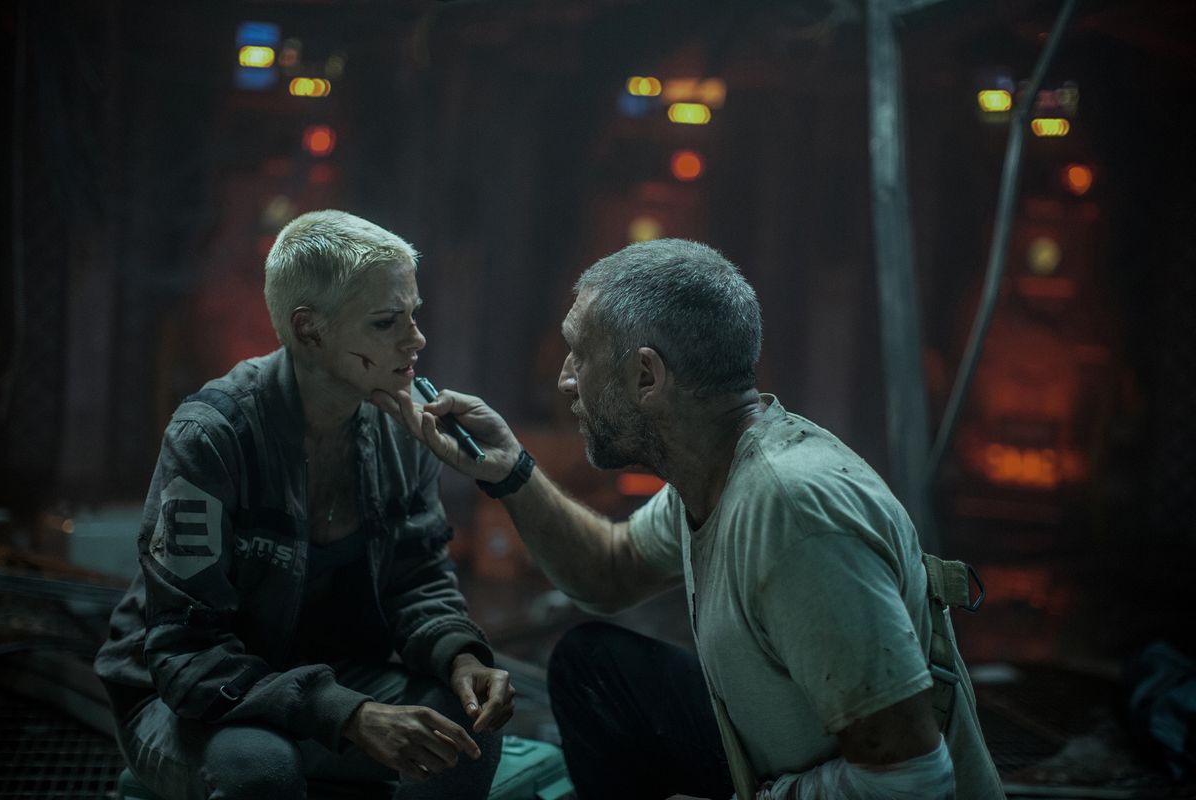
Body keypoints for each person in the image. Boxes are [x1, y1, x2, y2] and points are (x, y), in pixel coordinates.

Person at [373, 238, 1005, 799]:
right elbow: (609, 572)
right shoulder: (712, 467)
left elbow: (910, 781)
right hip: (779, 759)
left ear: (646, 376)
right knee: (595, 667)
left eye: (579, 356)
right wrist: (509, 471)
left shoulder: (793, 510)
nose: (565, 381)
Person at [95, 210, 513, 800]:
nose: (416, 339)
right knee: (260, 768)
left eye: (413, 315)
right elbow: (186, 656)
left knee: (463, 733)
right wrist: (349, 715)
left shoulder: (399, 426)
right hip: (194, 699)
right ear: (309, 329)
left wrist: (461, 658)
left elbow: (417, 578)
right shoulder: (213, 436)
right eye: (387, 321)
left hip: (329, 677)